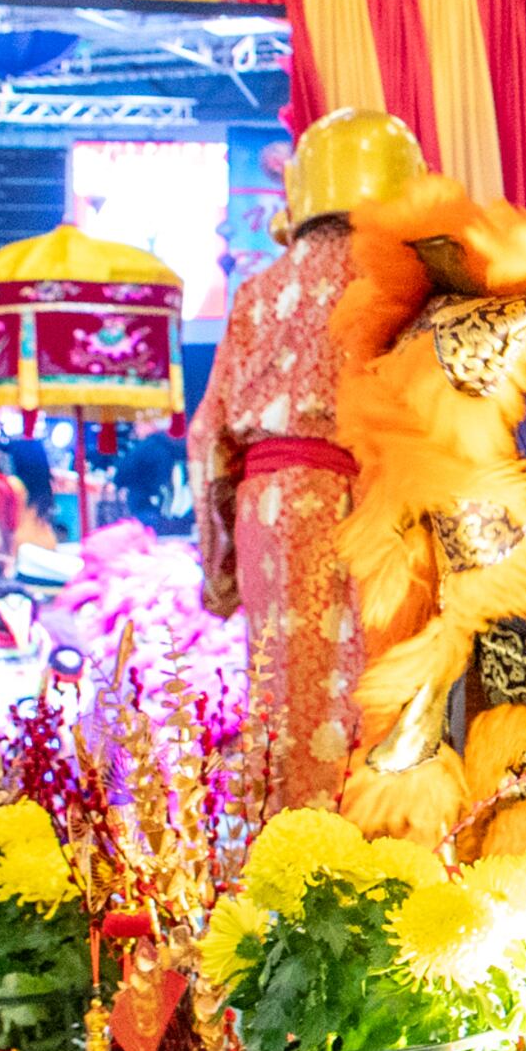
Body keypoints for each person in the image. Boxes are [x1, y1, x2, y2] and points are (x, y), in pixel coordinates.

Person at [198, 109, 423, 810]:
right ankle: (382, 852)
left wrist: (222, 565)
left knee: (283, 688)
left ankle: (288, 851)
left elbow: (210, 439)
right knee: (381, 681)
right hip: (378, 502)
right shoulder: (408, 280)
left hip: (272, 509)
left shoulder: (257, 292)